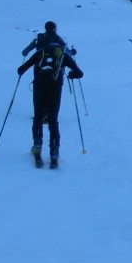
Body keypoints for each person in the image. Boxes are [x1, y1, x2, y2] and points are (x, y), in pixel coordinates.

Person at [16, 22, 82, 169]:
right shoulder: (61, 46)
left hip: (39, 84)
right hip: (55, 86)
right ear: (55, 29)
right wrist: (71, 72)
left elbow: (21, 68)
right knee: (53, 120)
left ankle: (37, 148)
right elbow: (79, 73)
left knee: (38, 116)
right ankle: (54, 154)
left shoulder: (40, 44)